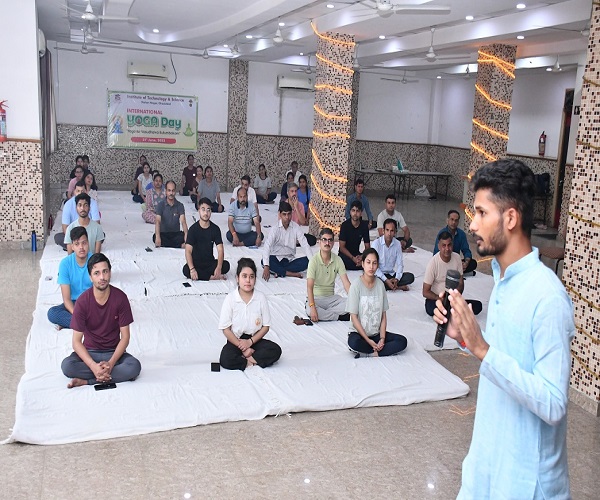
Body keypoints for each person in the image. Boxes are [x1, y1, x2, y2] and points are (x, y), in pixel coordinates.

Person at [433, 160, 575, 499]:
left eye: (482, 213)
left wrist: (482, 349)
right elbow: (505, 357)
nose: (472, 223)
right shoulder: (503, 279)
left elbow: (554, 403)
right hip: (487, 466)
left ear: (510, 218)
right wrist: (465, 338)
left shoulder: (547, 297)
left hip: (525, 482)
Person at [61, 253, 142, 388]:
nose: (102, 277)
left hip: (113, 352)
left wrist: (110, 363)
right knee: (67, 366)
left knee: (134, 367)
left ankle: (88, 381)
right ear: (90, 277)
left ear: (110, 273)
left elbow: (125, 337)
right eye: (97, 273)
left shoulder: (120, 298)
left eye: (105, 272)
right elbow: (76, 342)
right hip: (90, 352)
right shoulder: (82, 302)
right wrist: (93, 366)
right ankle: (105, 375)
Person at [218, 258, 282, 371]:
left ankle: (249, 359)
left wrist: (250, 342)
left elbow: (266, 326)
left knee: (275, 350)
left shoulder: (260, 298)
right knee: (225, 358)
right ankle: (248, 359)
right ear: (237, 278)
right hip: (236, 340)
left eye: (251, 277)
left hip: (254, 340)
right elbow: (225, 329)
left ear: (255, 279)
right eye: (244, 276)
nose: (248, 280)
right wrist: (241, 346)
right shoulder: (230, 298)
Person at [347, 248, 408, 358]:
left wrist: (382, 339)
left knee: (402, 341)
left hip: (376, 334)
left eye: (374, 263)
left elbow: (383, 316)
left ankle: (372, 352)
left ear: (378, 265)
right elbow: (354, 317)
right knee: (354, 343)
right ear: (362, 264)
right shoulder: (356, 285)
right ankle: (374, 349)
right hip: (359, 334)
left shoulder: (380, 285)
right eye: (368, 262)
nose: (371, 267)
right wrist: (368, 340)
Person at [423, 231, 482, 316]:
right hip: (437, 299)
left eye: (449, 245)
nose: (447, 249)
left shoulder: (457, 258)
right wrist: (439, 298)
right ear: (439, 246)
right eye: (444, 245)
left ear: (452, 245)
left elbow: (461, 283)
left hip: (452, 298)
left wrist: (455, 297)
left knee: (477, 306)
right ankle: (453, 311)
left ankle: (452, 310)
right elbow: (425, 292)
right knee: (431, 308)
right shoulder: (433, 263)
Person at [47, 227, 92, 330]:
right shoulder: (65, 264)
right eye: (77, 244)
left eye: (84, 243)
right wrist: (77, 315)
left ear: (88, 243)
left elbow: (100, 292)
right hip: (74, 304)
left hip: (91, 303)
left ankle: (75, 324)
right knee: (52, 313)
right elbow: (67, 300)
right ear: (72, 246)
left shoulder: (94, 261)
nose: (81, 247)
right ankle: (84, 324)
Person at [306, 228, 351, 322]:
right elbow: (309, 287)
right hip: (316, 298)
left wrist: (355, 300)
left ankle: (324, 314)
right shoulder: (313, 261)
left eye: (330, 240)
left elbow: (346, 283)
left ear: (333, 242)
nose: (327, 243)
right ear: (319, 242)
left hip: (331, 299)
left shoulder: (338, 260)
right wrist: (312, 306)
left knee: (352, 303)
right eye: (324, 240)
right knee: (310, 311)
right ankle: (339, 317)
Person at [261, 201, 313, 280]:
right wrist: (266, 266)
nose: (287, 217)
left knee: (308, 261)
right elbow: (267, 245)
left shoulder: (296, 227)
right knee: (264, 262)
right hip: (276, 258)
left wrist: (313, 263)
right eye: (284, 214)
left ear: (291, 214)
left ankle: (278, 271)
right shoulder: (275, 229)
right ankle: (291, 274)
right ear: (280, 214)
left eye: (289, 214)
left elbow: (305, 244)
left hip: (289, 260)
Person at [183, 197, 230, 280]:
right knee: (186, 269)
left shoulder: (215, 229)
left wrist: (218, 267)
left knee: (226, 265)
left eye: (208, 210)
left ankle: (204, 275)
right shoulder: (193, 229)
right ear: (199, 211)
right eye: (203, 209)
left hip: (210, 262)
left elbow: (220, 250)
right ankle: (211, 277)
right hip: (196, 263)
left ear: (211, 212)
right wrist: (192, 269)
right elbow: (188, 251)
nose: (206, 213)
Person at [55, 181, 101, 249]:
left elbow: (96, 224)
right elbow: (65, 226)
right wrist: (72, 240)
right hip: (74, 235)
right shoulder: (68, 204)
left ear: (86, 191)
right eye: (78, 191)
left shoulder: (93, 203)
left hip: (89, 234)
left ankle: (78, 247)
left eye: (82, 191)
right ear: (74, 192)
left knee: (100, 235)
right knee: (58, 237)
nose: (80, 193)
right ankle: (77, 246)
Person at [372, 219, 414, 291]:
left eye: (392, 231)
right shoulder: (376, 244)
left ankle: (392, 284)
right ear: (383, 231)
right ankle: (398, 287)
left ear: (395, 232)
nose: (389, 233)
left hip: (391, 274)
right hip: (378, 275)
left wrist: (397, 279)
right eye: (387, 230)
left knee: (410, 277)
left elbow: (400, 264)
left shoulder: (397, 244)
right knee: (372, 281)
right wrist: (386, 280)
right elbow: (374, 267)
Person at [433, 209, 477, 275]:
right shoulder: (442, 233)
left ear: (458, 222)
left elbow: (466, 250)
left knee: (473, 263)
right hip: (444, 261)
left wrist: (466, 263)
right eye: (452, 219)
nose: (453, 222)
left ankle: (455, 272)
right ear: (447, 220)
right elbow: (436, 253)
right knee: (438, 266)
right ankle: (459, 273)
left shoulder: (461, 234)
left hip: (455, 261)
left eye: (456, 220)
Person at [154, 180, 188, 249]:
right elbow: (158, 221)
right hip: (164, 234)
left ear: (175, 191)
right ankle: (179, 245)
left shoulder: (180, 205)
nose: (171, 193)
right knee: (154, 236)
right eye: (169, 190)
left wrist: (186, 236)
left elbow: (183, 222)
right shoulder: (161, 205)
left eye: (173, 190)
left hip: (176, 234)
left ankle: (168, 244)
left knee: (186, 235)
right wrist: (157, 236)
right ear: (165, 191)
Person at [339, 200, 371, 270]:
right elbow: (342, 248)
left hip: (356, 254)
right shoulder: (345, 225)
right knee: (341, 262)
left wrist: (362, 257)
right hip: (345, 255)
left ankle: (359, 263)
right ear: (350, 212)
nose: (355, 213)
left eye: (357, 211)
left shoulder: (364, 226)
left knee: (370, 260)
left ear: (361, 213)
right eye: (353, 210)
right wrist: (353, 258)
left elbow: (367, 246)